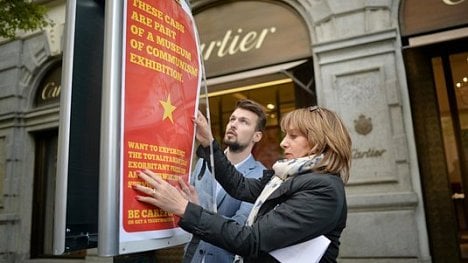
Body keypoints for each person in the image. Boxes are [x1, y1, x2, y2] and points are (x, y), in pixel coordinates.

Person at [133, 105, 352, 263]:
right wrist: (209, 144)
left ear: (319, 141)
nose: (284, 142)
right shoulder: (287, 177)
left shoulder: (324, 189)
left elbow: (252, 240)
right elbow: (241, 187)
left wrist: (184, 208)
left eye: (293, 136)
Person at [184, 99, 267, 263]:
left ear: (257, 136)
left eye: (244, 122)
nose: (234, 124)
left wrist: (195, 210)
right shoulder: (203, 164)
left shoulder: (260, 176)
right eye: (232, 119)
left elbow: (241, 226)